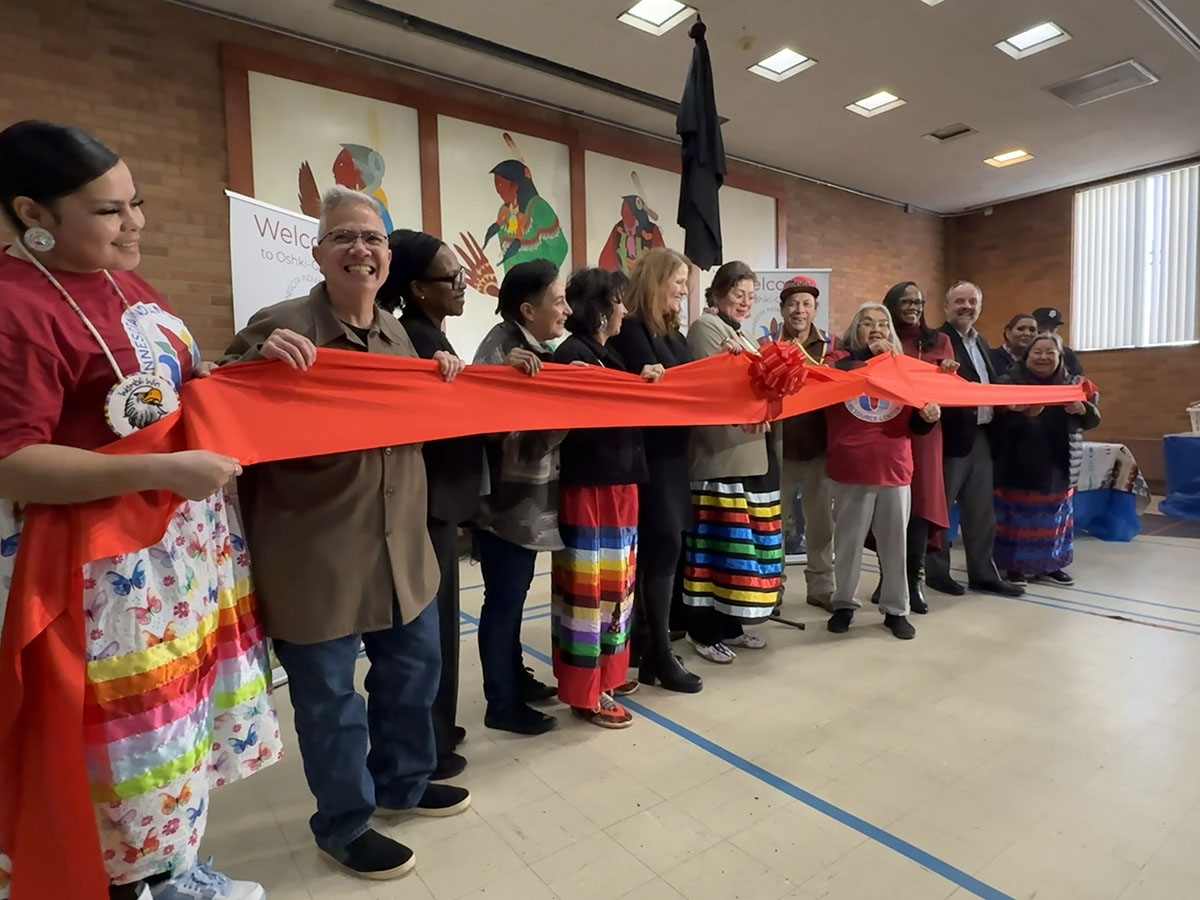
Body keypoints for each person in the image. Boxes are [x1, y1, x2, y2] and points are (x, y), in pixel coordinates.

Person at [0, 120, 280, 900]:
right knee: (128, 746)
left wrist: (241, 368)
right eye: (109, 211)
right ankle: (127, 884)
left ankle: (174, 870)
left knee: (182, 724)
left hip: (176, 551)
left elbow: (158, 383)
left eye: (137, 203)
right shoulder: (15, 307)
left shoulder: (123, 279)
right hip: (104, 569)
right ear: (34, 214)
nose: (137, 224)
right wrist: (165, 468)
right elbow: (11, 461)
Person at [220, 186, 470, 882]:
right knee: (330, 702)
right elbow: (219, 403)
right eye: (344, 237)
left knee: (414, 675)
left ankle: (402, 784)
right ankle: (345, 822)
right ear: (319, 250)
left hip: (401, 551)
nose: (361, 249)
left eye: (373, 238)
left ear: (389, 256)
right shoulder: (280, 327)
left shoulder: (401, 338)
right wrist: (253, 364)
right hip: (317, 554)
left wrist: (443, 378)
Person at [378, 228, 485, 780]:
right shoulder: (414, 341)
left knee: (436, 629)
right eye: (453, 278)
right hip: (426, 504)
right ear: (419, 288)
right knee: (430, 631)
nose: (464, 286)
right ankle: (431, 741)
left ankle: (438, 725)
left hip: (439, 502)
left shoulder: (427, 334)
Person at [550, 268, 663, 727]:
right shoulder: (572, 355)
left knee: (617, 587)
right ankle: (585, 689)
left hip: (619, 484)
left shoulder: (604, 355)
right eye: (618, 301)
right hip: (590, 487)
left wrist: (645, 379)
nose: (624, 309)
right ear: (598, 309)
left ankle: (609, 673)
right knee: (587, 593)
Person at [471, 259, 570, 735]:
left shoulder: (529, 349)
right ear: (528, 310)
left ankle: (514, 678)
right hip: (506, 508)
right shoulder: (501, 353)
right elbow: (502, 435)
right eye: (559, 301)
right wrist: (569, 409)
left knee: (509, 597)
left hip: (521, 507)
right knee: (504, 602)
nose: (566, 311)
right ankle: (501, 703)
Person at [608, 248, 702, 693]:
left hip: (672, 456)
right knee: (660, 550)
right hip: (648, 458)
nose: (684, 290)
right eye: (678, 282)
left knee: (666, 550)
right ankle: (657, 652)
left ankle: (649, 649)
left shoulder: (673, 334)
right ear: (655, 281)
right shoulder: (631, 329)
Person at [682, 261, 781, 664]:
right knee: (715, 552)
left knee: (740, 553)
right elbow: (720, 388)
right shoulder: (705, 329)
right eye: (738, 294)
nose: (745, 302)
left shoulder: (742, 334)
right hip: (719, 459)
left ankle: (731, 625)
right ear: (718, 293)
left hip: (751, 457)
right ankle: (703, 632)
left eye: (751, 296)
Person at [824, 304, 941, 640]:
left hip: (894, 467)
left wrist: (928, 416)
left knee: (894, 545)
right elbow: (833, 376)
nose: (876, 329)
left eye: (883, 324)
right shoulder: (840, 361)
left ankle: (896, 609)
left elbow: (917, 423)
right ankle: (844, 604)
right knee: (847, 544)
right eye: (867, 323)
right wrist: (867, 355)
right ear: (854, 330)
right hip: (850, 468)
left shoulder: (905, 369)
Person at [927, 281, 1024, 598]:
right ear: (946, 307)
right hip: (950, 438)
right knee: (940, 509)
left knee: (982, 512)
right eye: (960, 302)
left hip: (983, 435)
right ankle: (936, 573)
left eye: (973, 302)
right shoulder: (937, 340)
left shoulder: (982, 343)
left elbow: (987, 387)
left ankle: (983, 573)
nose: (966, 307)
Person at [991, 333, 1100, 586]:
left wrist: (1084, 410)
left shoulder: (1074, 383)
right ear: (1026, 356)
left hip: (1059, 464)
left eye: (1050, 352)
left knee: (1056, 520)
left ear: (1060, 357)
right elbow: (994, 423)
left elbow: (1094, 418)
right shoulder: (1009, 382)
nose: (1043, 357)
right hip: (1016, 465)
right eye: (1037, 352)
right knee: (1015, 518)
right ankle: (1013, 567)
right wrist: (1025, 415)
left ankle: (1052, 565)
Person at [874, 281, 956, 614]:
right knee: (888, 509)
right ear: (892, 304)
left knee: (919, 506)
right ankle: (886, 579)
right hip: (888, 430)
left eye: (919, 302)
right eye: (906, 301)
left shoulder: (942, 341)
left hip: (926, 434)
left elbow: (948, 389)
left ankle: (913, 581)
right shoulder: (882, 338)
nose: (914, 307)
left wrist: (948, 375)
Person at [774, 276, 837, 612]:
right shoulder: (766, 345)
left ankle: (821, 585)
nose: (799, 310)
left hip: (819, 449)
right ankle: (773, 589)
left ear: (815, 309)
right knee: (774, 525)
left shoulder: (832, 348)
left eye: (806, 304)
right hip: (779, 450)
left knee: (821, 524)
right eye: (793, 304)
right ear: (783, 309)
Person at [1032, 307, 1084, 377]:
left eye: (1053, 327)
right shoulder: (1022, 351)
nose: (1048, 331)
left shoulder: (1067, 353)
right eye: (1044, 326)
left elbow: (1078, 379)